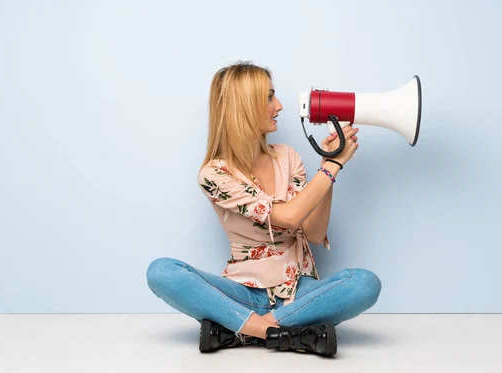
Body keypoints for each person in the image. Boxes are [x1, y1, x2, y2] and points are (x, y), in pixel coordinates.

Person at [146, 61, 382, 357]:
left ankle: (244, 331)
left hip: (298, 294)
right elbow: (288, 216)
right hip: (241, 294)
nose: (279, 105)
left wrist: (327, 168)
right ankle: (286, 334)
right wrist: (333, 168)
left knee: (364, 284)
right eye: (269, 97)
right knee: (161, 272)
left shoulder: (288, 157)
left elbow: (313, 231)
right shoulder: (214, 175)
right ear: (244, 106)